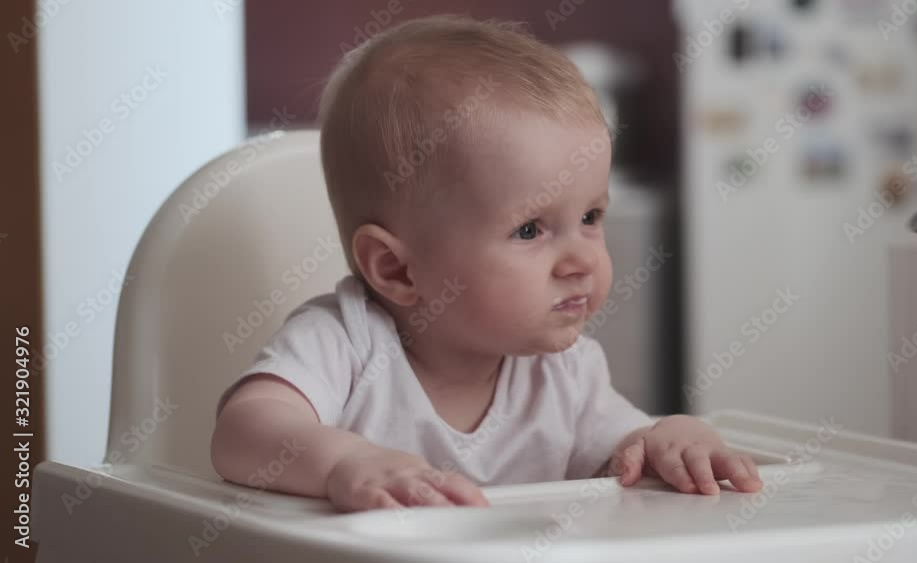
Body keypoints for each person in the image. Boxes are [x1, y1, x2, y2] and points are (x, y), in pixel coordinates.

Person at [211, 14, 762, 513]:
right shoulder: (344, 344)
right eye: (529, 229)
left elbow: (627, 453)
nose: (581, 260)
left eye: (591, 217)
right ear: (398, 270)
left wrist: (673, 438)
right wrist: (340, 465)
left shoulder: (566, 372)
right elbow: (243, 432)